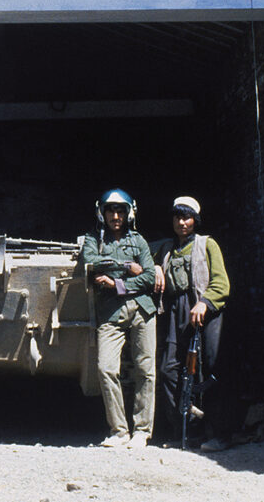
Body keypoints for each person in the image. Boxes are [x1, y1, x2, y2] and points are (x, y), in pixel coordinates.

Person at [80, 189, 165, 448]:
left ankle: (142, 430)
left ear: (129, 213)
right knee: (106, 368)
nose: (115, 216)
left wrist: (116, 280)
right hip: (110, 312)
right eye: (111, 211)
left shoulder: (138, 241)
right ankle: (118, 430)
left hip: (141, 309)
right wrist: (131, 266)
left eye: (120, 211)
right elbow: (91, 262)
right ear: (102, 213)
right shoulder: (93, 239)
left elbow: (149, 276)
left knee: (145, 369)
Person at [158, 195, 231, 452]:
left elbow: (222, 283)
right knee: (169, 370)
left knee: (208, 370)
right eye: (177, 217)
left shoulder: (207, 244)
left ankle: (218, 433)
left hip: (205, 310)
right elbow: (143, 253)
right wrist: (156, 267)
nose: (182, 222)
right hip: (176, 311)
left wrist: (205, 302)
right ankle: (185, 431)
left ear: (195, 220)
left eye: (187, 217)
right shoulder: (166, 247)